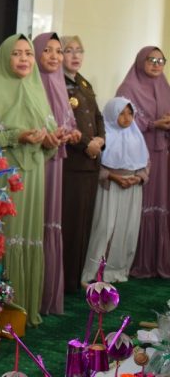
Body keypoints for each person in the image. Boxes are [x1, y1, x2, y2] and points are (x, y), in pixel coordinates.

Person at [0, 35, 58, 327]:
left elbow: (48, 135)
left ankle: (22, 311)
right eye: (16, 53)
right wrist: (15, 136)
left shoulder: (36, 90)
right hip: (1, 176)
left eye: (28, 54)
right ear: (4, 58)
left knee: (26, 236)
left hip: (31, 177)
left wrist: (51, 140)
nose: (23, 59)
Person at [33, 32, 81, 316]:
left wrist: (71, 133)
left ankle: (49, 292)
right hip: (38, 161)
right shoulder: (33, 83)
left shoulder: (60, 83)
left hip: (57, 161)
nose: (54, 56)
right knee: (37, 221)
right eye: (47, 50)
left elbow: (68, 122)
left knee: (51, 220)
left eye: (58, 51)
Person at [81, 97, 150, 283]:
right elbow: (96, 165)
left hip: (132, 189)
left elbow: (145, 164)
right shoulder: (105, 137)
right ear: (112, 114)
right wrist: (113, 177)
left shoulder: (137, 136)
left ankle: (117, 271)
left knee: (127, 229)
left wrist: (138, 177)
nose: (126, 118)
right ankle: (93, 272)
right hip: (110, 186)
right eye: (121, 113)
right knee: (105, 227)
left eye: (130, 113)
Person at [116, 46, 170, 278]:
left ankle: (157, 259)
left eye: (161, 60)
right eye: (151, 60)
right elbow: (119, 121)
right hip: (137, 153)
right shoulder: (128, 87)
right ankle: (135, 260)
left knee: (159, 203)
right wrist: (151, 124)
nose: (156, 64)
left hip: (162, 153)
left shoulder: (165, 88)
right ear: (140, 61)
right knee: (138, 204)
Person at [60, 35, 105, 292]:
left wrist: (100, 139)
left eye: (79, 50)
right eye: (69, 50)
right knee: (70, 221)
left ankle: (76, 277)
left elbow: (98, 116)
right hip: (73, 162)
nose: (75, 56)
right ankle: (64, 280)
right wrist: (86, 143)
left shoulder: (83, 83)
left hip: (91, 163)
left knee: (85, 222)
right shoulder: (58, 84)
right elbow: (64, 122)